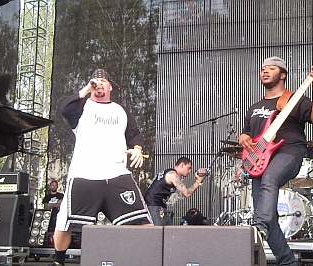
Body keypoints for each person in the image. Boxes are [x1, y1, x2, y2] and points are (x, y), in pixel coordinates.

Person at [49, 69, 153, 266]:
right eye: (95, 81)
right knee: (65, 221)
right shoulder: (81, 108)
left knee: (143, 221)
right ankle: (58, 261)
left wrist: (137, 149)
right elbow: (65, 108)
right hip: (84, 175)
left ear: (110, 86)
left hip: (116, 175)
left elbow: (134, 133)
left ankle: (146, 259)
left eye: (103, 81)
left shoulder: (120, 110)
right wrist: (87, 88)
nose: (99, 84)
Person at [239, 56, 313, 265]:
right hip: (260, 160)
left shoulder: (293, 99)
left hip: (289, 152)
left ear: (283, 74)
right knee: (269, 217)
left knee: (270, 182)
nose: (265, 71)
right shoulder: (254, 107)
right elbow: (248, 135)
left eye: (271, 68)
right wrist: (243, 138)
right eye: (262, 69)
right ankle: (287, 262)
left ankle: (258, 227)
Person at [144, 157, 206, 225]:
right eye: (189, 168)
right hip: (154, 206)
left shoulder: (168, 172)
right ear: (182, 165)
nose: (189, 171)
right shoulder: (173, 175)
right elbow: (186, 193)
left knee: (168, 230)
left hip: (158, 206)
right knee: (159, 232)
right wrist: (198, 181)